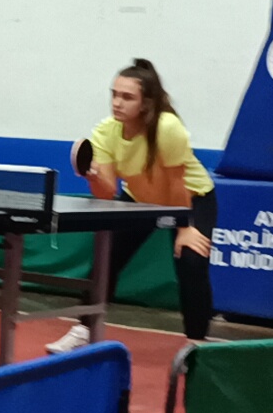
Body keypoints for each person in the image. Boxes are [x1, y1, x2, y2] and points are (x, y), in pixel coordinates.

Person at [49, 59, 218, 348]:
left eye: (127, 97)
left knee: (192, 261)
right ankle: (84, 329)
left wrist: (185, 227)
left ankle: (197, 344)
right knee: (107, 259)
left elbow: (176, 181)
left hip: (191, 197)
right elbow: (106, 192)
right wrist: (91, 174)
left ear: (146, 103)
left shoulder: (167, 127)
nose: (117, 103)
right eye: (114, 94)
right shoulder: (105, 132)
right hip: (141, 199)